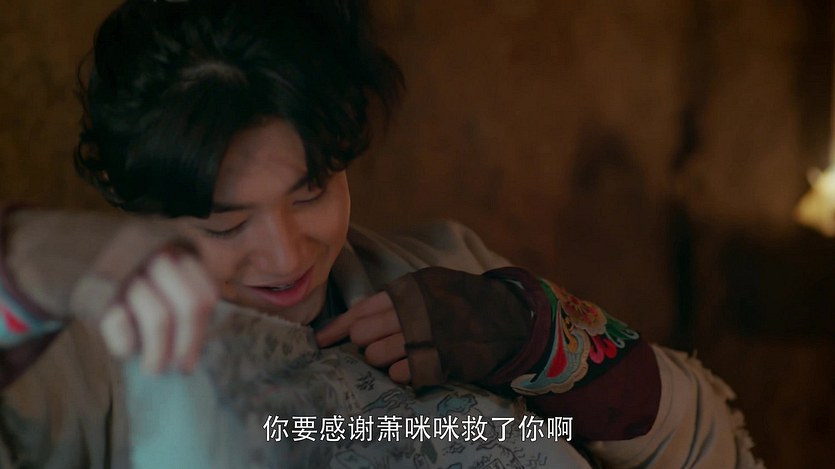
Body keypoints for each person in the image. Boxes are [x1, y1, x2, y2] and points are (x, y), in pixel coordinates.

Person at [0, 0, 762, 467]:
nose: (286, 254)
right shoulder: (87, 370)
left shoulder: (441, 270)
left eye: (311, 191)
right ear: (140, 211)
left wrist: (534, 336)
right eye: (223, 223)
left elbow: (710, 449)